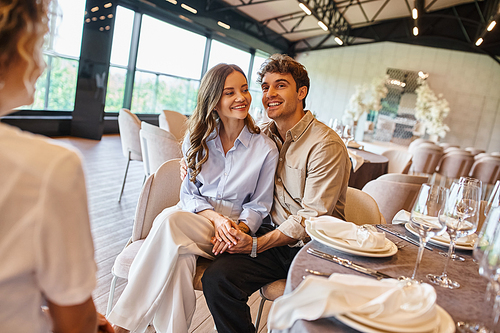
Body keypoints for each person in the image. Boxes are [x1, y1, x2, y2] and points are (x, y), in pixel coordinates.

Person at [107, 64, 279, 333]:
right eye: (229, 92)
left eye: (244, 90)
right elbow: (188, 195)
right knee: (180, 255)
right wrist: (215, 218)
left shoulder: (265, 149)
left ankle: (121, 325)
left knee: (170, 222)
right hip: (196, 216)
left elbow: (259, 204)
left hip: (230, 231)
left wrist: (238, 229)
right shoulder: (197, 139)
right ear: (214, 100)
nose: (241, 98)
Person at [201, 54, 351, 333]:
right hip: (272, 237)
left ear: (301, 92)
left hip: (314, 247)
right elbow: (220, 148)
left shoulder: (325, 145)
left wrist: (256, 245)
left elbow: (312, 219)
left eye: (280, 85)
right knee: (218, 280)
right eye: (265, 87)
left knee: (306, 314)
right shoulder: (263, 137)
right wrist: (190, 165)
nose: (269, 94)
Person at [0, 0, 113, 332]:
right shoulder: (46, 168)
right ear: (13, 47)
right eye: (40, 43)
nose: (42, 64)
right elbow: (74, 323)